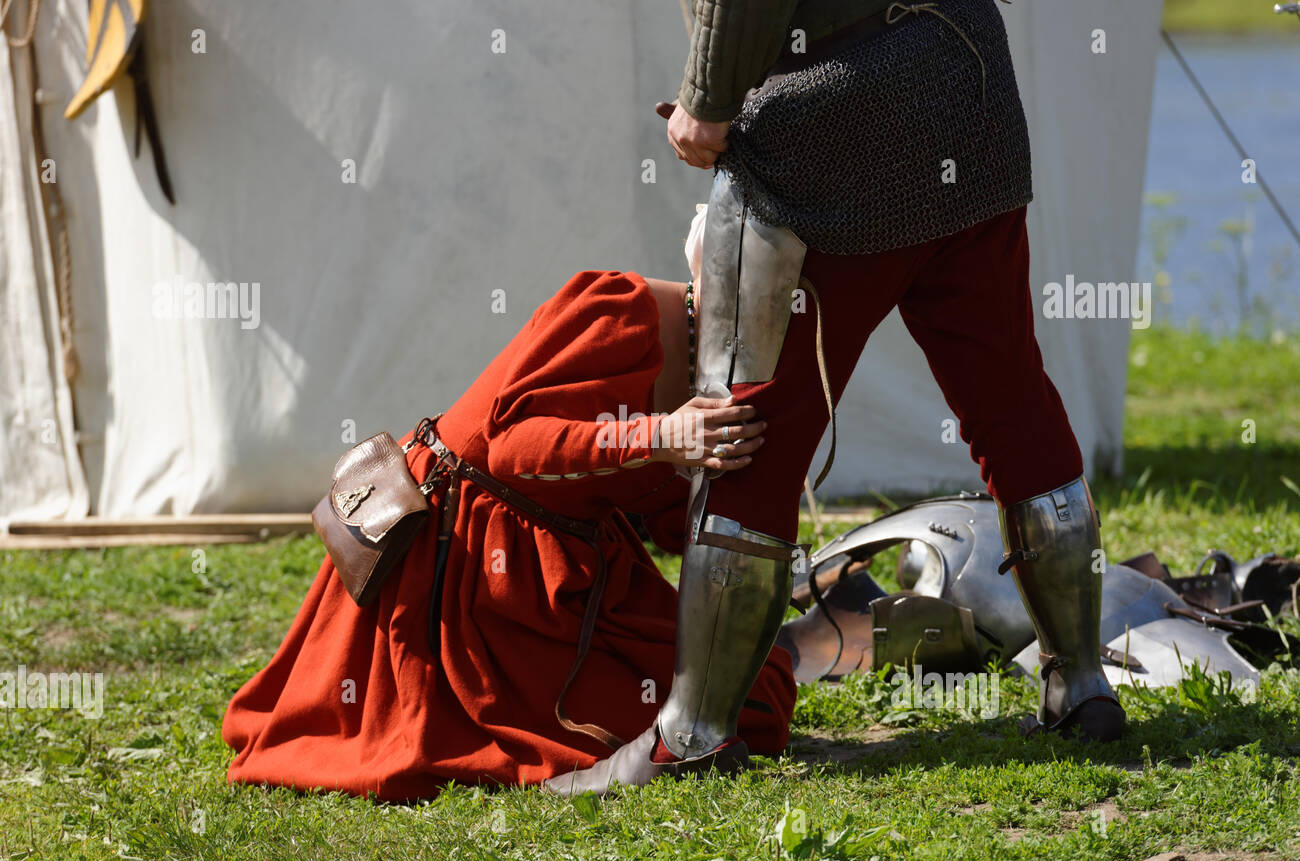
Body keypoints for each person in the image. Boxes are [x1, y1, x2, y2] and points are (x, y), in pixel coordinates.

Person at [545, 0, 1124, 798]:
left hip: (829, 123)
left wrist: (705, 105)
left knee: (750, 429)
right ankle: (1082, 681)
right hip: (966, 84)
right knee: (1012, 397)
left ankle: (693, 734)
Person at [223, 269, 795, 800]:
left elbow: (668, 514)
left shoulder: (721, 367)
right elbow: (515, 447)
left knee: (754, 693)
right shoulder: (619, 306)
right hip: (465, 559)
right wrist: (662, 435)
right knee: (688, 715)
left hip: (565, 560)